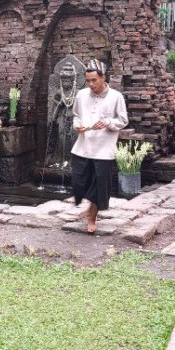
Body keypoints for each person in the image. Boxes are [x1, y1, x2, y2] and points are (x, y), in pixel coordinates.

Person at [70, 59, 128, 233]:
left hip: (104, 150)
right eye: (88, 80)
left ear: (103, 78)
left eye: (94, 80)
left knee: (98, 187)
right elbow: (76, 115)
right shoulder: (81, 95)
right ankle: (88, 209)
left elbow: (123, 120)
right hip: (82, 147)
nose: (90, 84)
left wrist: (108, 122)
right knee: (78, 183)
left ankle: (92, 218)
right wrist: (77, 126)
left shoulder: (116, 97)